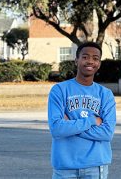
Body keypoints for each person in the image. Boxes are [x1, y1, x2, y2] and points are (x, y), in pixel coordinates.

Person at [48, 42, 117, 179]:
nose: (90, 61)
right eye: (85, 57)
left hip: (96, 166)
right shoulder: (59, 90)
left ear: (99, 64)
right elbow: (57, 129)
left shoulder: (106, 94)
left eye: (95, 58)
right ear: (76, 60)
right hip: (64, 167)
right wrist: (92, 120)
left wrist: (71, 125)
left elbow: (107, 133)